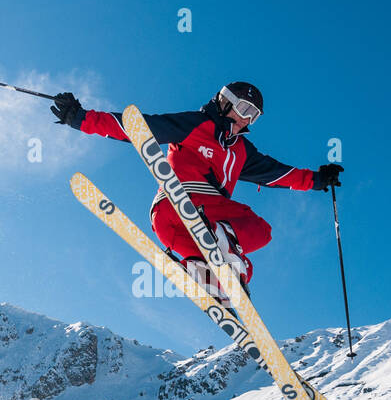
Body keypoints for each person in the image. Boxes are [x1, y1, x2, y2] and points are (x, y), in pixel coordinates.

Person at [51, 82, 343, 297]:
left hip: (174, 231)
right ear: (225, 102)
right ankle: (222, 243)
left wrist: (318, 180)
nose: (245, 120)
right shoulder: (197, 125)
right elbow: (140, 128)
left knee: (242, 270)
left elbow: (279, 174)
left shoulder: (241, 152)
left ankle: (205, 275)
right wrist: (80, 118)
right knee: (259, 229)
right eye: (243, 109)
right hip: (182, 204)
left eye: (253, 116)